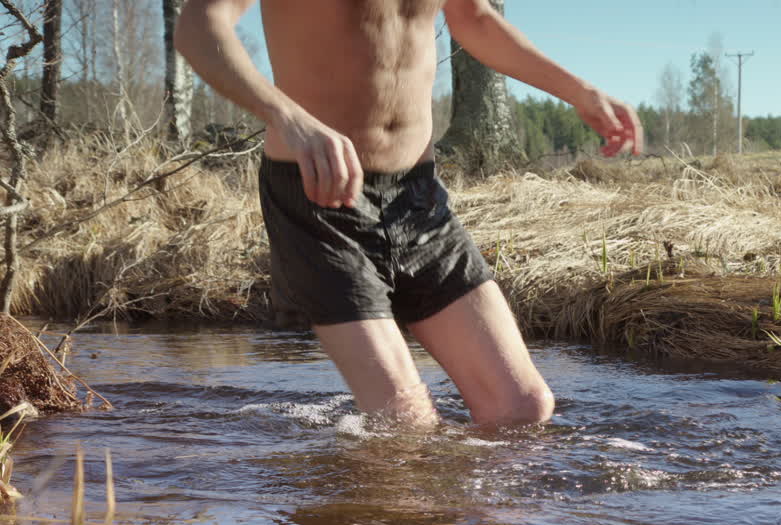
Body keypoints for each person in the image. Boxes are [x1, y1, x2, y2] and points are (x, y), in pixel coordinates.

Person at [175, 0, 643, 428]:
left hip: (417, 198)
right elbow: (199, 25)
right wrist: (287, 116)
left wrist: (578, 91)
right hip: (318, 196)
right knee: (405, 423)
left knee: (521, 408)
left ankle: (488, 521)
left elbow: (474, 18)